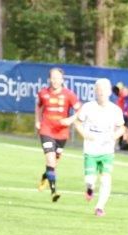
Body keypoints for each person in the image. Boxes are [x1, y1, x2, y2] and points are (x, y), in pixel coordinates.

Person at [74, 78, 125, 217]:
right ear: (95, 91)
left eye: (104, 90)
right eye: (99, 89)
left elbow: (122, 128)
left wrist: (113, 136)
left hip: (107, 150)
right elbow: (78, 123)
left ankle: (100, 207)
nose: (101, 92)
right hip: (90, 149)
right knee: (90, 180)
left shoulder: (115, 110)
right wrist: (85, 134)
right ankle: (89, 189)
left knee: (105, 179)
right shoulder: (88, 107)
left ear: (109, 92)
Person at [34, 67, 81, 202]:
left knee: (54, 163)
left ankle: (45, 177)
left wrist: (70, 119)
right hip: (46, 130)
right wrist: (37, 121)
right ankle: (54, 192)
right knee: (50, 159)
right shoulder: (43, 93)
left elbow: (80, 110)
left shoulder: (69, 94)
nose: (55, 81)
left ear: (62, 80)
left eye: (57, 78)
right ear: (49, 79)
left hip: (62, 133)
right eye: (53, 78)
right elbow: (38, 106)